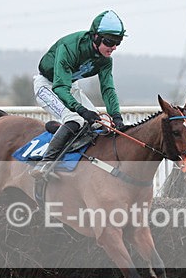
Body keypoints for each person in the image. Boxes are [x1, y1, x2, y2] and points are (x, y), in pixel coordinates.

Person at [30, 10, 126, 178]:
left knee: (99, 122)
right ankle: (44, 164)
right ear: (95, 37)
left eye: (118, 42)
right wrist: (81, 110)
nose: (114, 47)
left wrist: (116, 116)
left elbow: (108, 89)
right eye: (110, 42)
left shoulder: (105, 60)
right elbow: (59, 87)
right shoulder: (70, 48)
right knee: (75, 119)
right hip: (48, 86)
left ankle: (64, 135)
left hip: (70, 87)